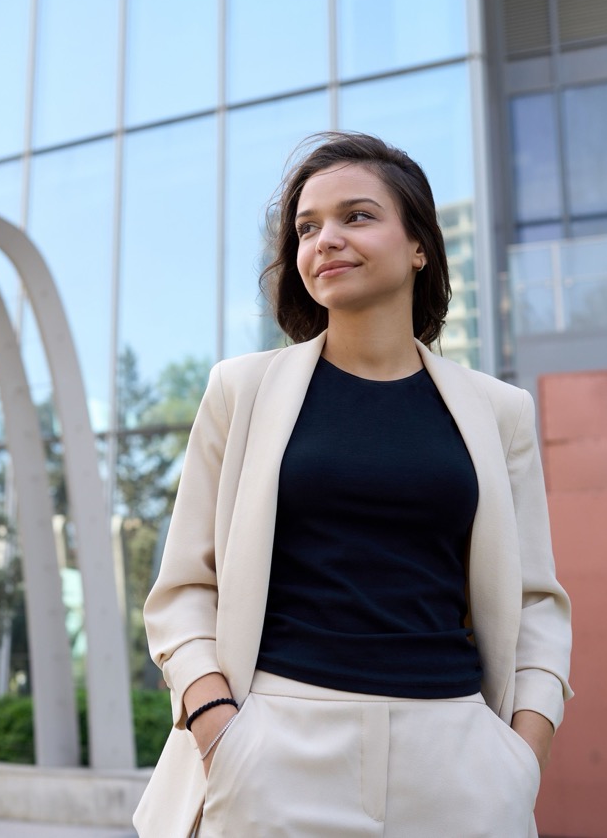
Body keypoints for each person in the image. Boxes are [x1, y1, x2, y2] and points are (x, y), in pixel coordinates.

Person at [133, 132, 572, 837]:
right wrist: (221, 729)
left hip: (458, 761)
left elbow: (537, 602)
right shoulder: (240, 391)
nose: (326, 239)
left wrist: (522, 754)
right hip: (276, 748)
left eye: (357, 216)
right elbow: (184, 587)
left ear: (419, 246)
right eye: (307, 227)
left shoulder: (499, 411)